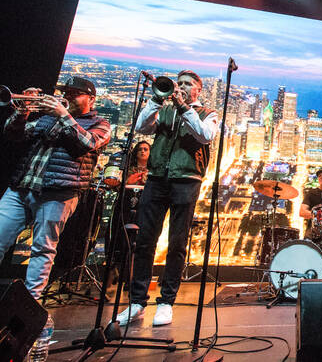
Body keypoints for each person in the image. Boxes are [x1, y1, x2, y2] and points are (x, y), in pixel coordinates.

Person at [116, 70, 218, 327]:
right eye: (178, 83)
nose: (181, 87)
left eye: (187, 84)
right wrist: (157, 99)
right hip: (157, 177)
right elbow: (141, 127)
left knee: (177, 243)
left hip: (186, 181)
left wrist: (183, 107)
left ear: (198, 90)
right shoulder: (165, 109)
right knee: (145, 241)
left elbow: (204, 135)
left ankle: (166, 302)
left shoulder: (208, 113)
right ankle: (137, 301)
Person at [0, 77, 111, 299]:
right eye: (65, 92)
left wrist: (64, 115)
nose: (67, 96)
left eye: (74, 93)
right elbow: (13, 134)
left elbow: (88, 143)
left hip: (59, 193)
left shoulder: (100, 124)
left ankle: (31, 304)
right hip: (22, 187)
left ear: (91, 99)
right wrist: (22, 111)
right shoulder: (46, 119)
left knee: (42, 249)